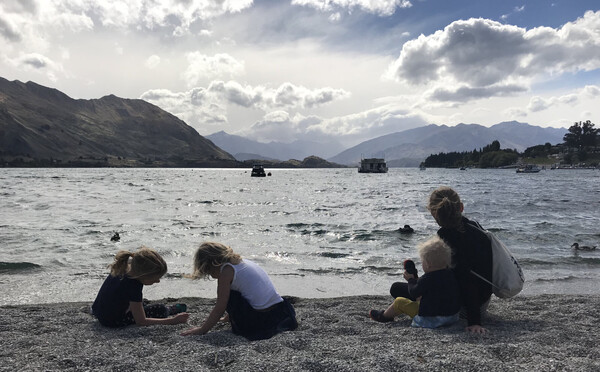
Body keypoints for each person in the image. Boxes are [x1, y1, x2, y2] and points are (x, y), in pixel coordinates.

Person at [390, 186, 492, 334]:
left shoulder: (446, 238)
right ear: (461, 207)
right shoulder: (476, 228)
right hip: (483, 301)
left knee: (396, 288)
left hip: (460, 307)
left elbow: (467, 280)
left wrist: (474, 321)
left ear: (433, 212)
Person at [181, 242, 298, 340]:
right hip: (283, 313)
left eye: (208, 272)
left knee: (229, 295)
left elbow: (220, 307)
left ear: (212, 264)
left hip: (262, 324)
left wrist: (202, 330)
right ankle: (229, 318)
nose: (211, 276)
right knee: (236, 291)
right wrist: (226, 318)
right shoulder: (242, 263)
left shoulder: (226, 271)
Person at [370, 236, 460, 328]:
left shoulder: (427, 278)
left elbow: (413, 292)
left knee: (399, 302)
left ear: (428, 264)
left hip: (431, 320)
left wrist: (410, 280)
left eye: (422, 261)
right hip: (451, 317)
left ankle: (384, 316)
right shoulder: (451, 275)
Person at [92, 246, 189, 328]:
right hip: (112, 321)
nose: (157, 281)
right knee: (160, 309)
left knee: (141, 302)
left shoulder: (122, 268)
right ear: (143, 274)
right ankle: (169, 310)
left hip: (98, 311)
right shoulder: (134, 285)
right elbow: (141, 321)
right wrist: (172, 321)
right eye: (154, 278)